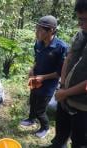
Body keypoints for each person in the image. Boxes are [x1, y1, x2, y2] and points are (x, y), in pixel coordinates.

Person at [19, 15, 68, 138]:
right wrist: (32, 69)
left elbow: (60, 72)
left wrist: (43, 78)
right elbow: (37, 58)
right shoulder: (39, 43)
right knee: (33, 101)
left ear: (51, 30)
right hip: (35, 78)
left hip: (48, 84)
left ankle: (45, 127)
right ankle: (31, 119)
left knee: (40, 109)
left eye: (40, 29)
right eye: (37, 28)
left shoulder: (61, 47)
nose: (37, 32)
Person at [49, 0, 87, 147]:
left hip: (82, 105)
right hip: (65, 96)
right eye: (79, 19)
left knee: (79, 141)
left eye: (85, 20)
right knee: (61, 133)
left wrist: (65, 93)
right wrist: (62, 85)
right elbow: (68, 58)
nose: (80, 24)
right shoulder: (80, 35)